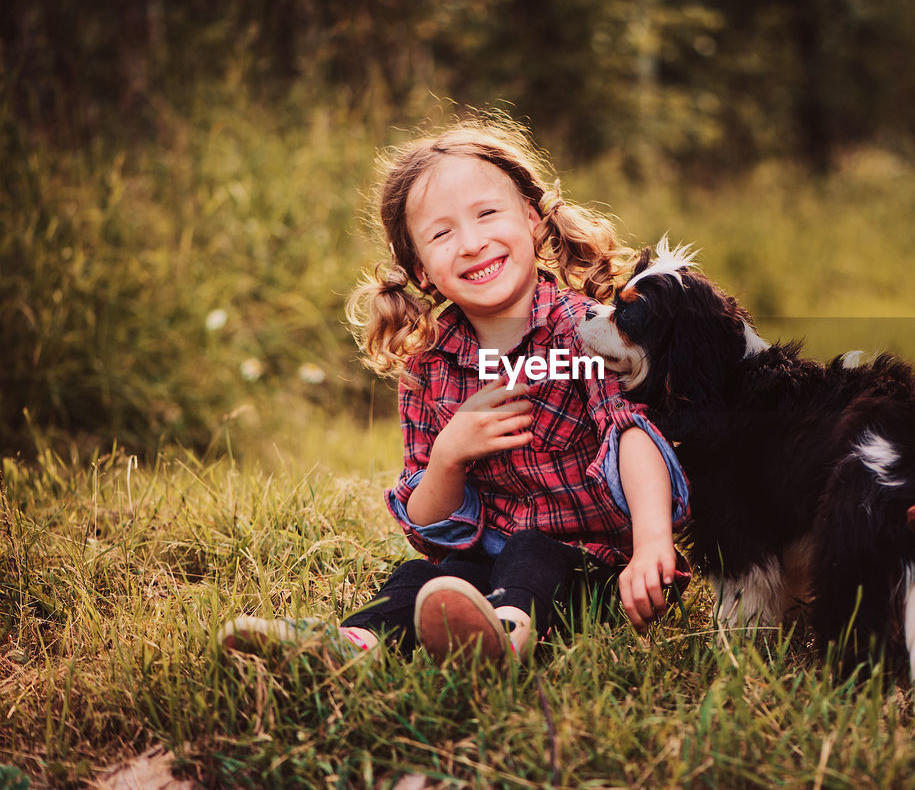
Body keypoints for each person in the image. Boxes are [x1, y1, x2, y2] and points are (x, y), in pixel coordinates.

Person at [220, 115, 688, 664]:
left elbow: (631, 433)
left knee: (531, 552)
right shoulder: (430, 367)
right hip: (484, 563)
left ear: (534, 223)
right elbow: (428, 527)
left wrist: (653, 542)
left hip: (596, 565)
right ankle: (350, 646)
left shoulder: (584, 331)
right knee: (422, 576)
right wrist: (448, 457)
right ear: (420, 269)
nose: (470, 243)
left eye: (487, 214)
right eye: (442, 233)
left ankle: (503, 640)